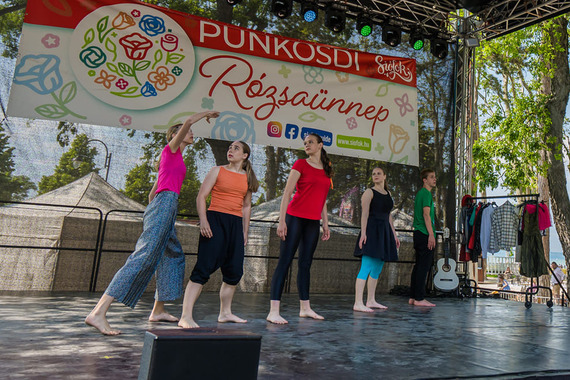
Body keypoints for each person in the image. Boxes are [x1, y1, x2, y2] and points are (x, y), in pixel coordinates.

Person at [85, 111, 220, 335]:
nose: (191, 133)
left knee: (173, 255)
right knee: (144, 255)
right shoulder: (171, 149)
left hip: (165, 204)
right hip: (165, 204)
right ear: (176, 135)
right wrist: (207, 114)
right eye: (187, 132)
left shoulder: (174, 158)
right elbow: (187, 122)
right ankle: (98, 312)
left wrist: (155, 208)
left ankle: (158, 310)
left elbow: (154, 191)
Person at [178, 140, 259, 328]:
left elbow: (246, 206)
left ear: (245, 155)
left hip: (235, 224)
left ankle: (225, 313)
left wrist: (245, 231)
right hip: (215, 220)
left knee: (234, 270)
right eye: (230, 148)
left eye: (236, 148)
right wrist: (204, 220)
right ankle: (185, 316)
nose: (231, 150)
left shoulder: (248, 177)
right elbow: (201, 196)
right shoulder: (217, 170)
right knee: (203, 268)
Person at [266, 133, 333, 324]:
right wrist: (281, 221)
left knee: (305, 264)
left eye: (310, 142)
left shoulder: (327, 168)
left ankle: (305, 308)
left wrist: (325, 222)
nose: (307, 145)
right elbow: (287, 192)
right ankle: (273, 311)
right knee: (285, 262)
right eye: (305, 143)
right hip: (294, 217)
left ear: (320, 145)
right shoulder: (300, 164)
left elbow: (323, 198)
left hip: (313, 222)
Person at [353, 167, 400, 312]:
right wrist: (364, 234)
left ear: (385, 176)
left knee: (378, 266)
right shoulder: (369, 192)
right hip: (372, 230)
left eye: (379, 173)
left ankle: (371, 300)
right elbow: (364, 214)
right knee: (366, 266)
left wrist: (394, 234)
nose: (376, 176)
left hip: (385, 231)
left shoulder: (388, 193)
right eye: (373, 174)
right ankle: (358, 302)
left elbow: (388, 216)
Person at [409, 168, 437, 307]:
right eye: (431, 177)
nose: (434, 179)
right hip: (424, 233)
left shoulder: (421, 193)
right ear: (424, 180)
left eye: (434, 177)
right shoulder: (425, 194)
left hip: (419, 233)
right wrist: (431, 234)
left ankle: (413, 297)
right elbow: (426, 215)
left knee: (419, 265)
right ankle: (419, 298)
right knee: (423, 266)